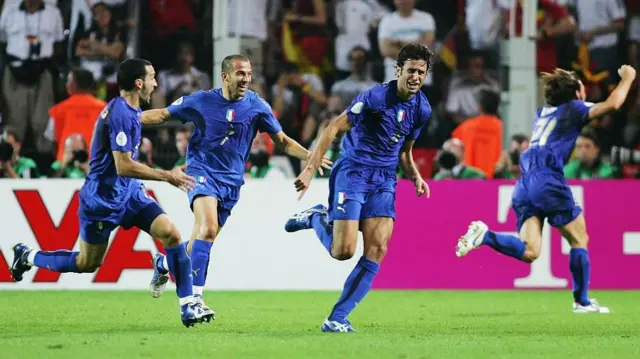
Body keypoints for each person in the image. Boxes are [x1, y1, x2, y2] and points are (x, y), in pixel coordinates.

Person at [9, 58, 211, 327]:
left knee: (172, 235)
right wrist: (167, 176)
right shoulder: (120, 114)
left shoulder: (129, 110)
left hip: (130, 195)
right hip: (102, 201)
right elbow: (123, 165)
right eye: (152, 78)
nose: (156, 83)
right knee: (86, 263)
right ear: (139, 83)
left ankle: (188, 306)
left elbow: (139, 136)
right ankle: (28, 256)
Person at [141, 54, 331, 319]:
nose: (246, 79)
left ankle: (164, 262)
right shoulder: (202, 100)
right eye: (241, 74)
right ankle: (194, 299)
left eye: (249, 74)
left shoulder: (257, 106)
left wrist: (312, 157)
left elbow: (283, 141)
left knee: (200, 242)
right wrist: (126, 120)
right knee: (206, 229)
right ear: (225, 76)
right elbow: (162, 115)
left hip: (231, 182)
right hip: (201, 172)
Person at [455, 66, 637, 313]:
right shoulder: (573, 108)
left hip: (524, 182)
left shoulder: (543, 113)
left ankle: (485, 236)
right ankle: (581, 302)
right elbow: (613, 104)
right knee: (579, 238)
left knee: (530, 251)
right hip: (547, 179)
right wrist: (628, 78)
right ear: (576, 91)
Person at [284, 44, 433, 332]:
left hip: (385, 178)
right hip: (353, 172)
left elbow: (405, 149)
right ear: (398, 69)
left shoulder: (422, 108)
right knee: (342, 251)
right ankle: (316, 216)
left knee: (378, 248)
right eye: (411, 70)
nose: (416, 77)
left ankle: (337, 318)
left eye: (421, 72)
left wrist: (415, 175)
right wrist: (310, 169)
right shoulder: (376, 97)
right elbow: (333, 128)